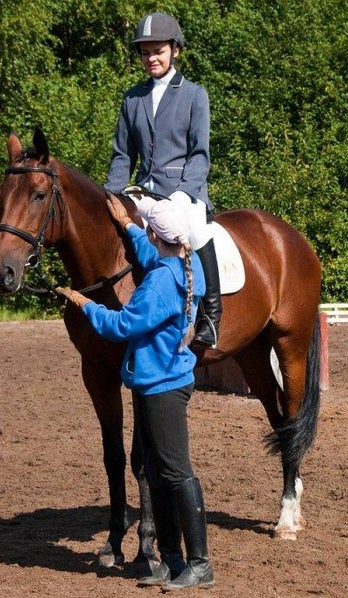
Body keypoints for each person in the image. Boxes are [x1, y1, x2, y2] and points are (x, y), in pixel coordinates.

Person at [57, 195, 215, 591]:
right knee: (159, 474)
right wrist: (127, 225)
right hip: (153, 383)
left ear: (156, 234)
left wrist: (83, 302)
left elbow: (123, 325)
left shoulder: (161, 282)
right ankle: (171, 559)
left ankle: (200, 564)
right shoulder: (185, 263)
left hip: (163, 388)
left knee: (176, 473)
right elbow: (150, 254)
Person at [104, 11, 221, 349]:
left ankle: (211, 315)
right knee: (114, 227)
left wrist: (185, 194)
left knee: (196, 230)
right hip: (143, 190)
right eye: (145, 52)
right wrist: (111, 194)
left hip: (184, 190)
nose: (151, 58)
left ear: (175, 50)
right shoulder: (132, 98)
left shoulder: (194, 94)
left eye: (158, 51)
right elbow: (123, 155)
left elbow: (200, 154)